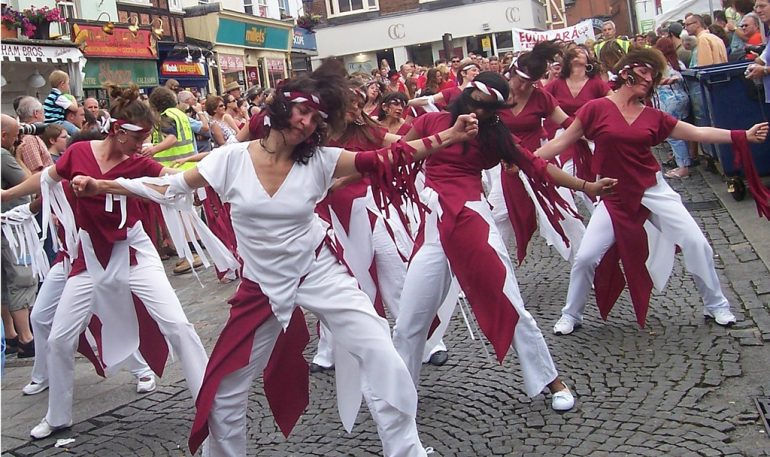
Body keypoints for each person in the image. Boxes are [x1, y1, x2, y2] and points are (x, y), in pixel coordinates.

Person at [71, 61, 481, 457]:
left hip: (317, 271)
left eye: (315, 118)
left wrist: (447, 137)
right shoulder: (230, 159)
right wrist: (103, 185)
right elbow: (170, 189)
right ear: (282, 105)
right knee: (224, 391)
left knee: (381, 354)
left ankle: (406, 452)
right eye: (302, 109)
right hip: (261, 285)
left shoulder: (321, 161)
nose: (305, 122)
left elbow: (386, 159)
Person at [392, 71, 617, 415]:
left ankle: (552, 379)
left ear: (494, 112)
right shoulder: (430, 122)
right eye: (472, 103)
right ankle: (399, 392)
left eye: (485, 109)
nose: (475, 111)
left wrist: (585, 187)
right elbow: (395, 154)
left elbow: (537, 166)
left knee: (511, 303)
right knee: (409, 319)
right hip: (435, 232)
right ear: (463, 96)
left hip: (472, 224)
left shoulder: (495, 137)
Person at [1, 84, 210, 440]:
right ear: (117, 130)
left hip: (133, 252)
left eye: (147, 137)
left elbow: (170, 180)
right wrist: (8, 194)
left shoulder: (138, 161)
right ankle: (58, 415)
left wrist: (212, 165)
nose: (142, 144)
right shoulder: (79, 152)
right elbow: (47, 179)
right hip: (89, 258)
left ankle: (209, 400)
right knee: (59, 337)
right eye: (138, 137)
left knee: (177, 324)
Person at [535, 48, 768, 335]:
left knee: (697, 243)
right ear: (625, 73)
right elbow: (561, 143)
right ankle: (572, 314)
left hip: (652, 189)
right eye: (643, 71)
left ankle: (716, 304)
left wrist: (742, 135)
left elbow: (696, 133)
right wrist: (526, 158)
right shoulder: (595, 108)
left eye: (653, 75)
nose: (649, 78)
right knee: (585, 257)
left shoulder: (654, 116)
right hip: (614, 194)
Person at [1, 114, 36, 360]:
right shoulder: (3, 156)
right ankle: (27, 338)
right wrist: (18, 155)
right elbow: (29, 181)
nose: (17, 140)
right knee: (21, 277)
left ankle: (11, 335)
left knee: (3, 281)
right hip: (12, 227)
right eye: (14, 137)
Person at [655, 37, 692, 179]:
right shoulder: (677, 62)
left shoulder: (660, 64)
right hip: (682, 99)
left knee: (673, 135)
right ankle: (684, 162)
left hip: (668, 102)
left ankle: (683, 168)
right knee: (683, 132)